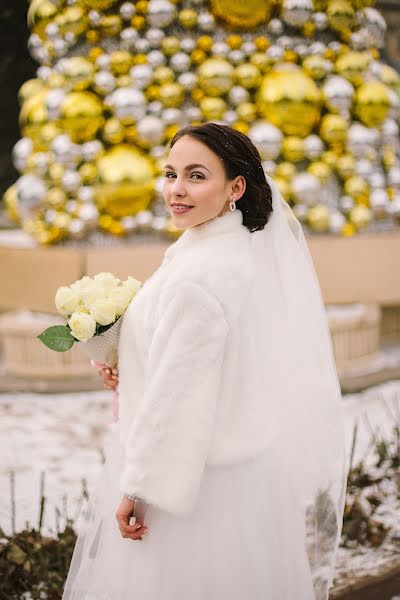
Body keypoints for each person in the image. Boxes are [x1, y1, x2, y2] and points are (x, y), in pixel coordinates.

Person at [62, 122, 347, 600]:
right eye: (170, 173)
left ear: (236, 187)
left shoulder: (199, 276)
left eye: (196, 176)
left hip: (196, 493)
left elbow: (181, 397)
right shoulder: (225, 250)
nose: (176, 189)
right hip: (240, 477)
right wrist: (129, 365)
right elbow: (212, 363)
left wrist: (138, 490)